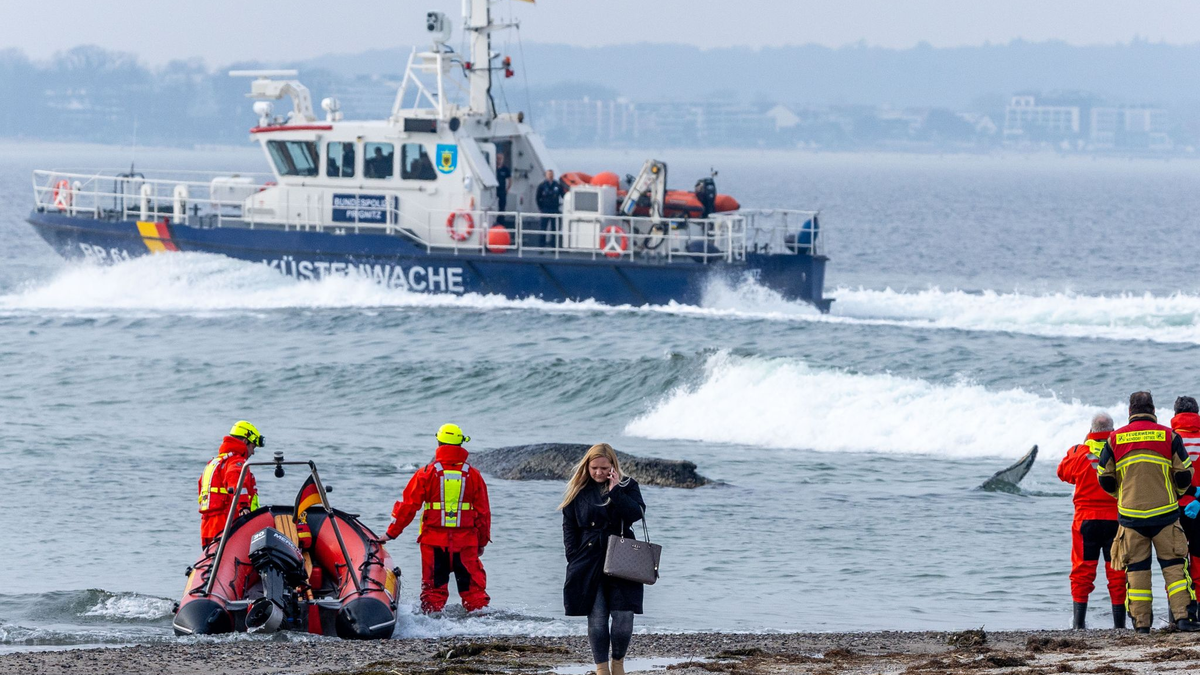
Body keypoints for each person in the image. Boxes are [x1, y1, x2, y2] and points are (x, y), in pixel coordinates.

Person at [1097, 391, 1200, 633]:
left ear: (1130, 412)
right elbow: (1184, 474)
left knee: (1136, 571)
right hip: (1166, 515)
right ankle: (1183, 619)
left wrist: (1122, 496)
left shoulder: (1114, 439)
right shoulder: (1168, 435)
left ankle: (1142, 624)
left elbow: (1104, 477)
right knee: (1175, 568)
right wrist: (1175, 493)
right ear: (1153, 410)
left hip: (1131, 517)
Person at [383, 423, 491, 613]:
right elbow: (483, 514)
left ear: (439, 443)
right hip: (466, 543)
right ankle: (482, 625)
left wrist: (391, 534)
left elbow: (408, 507)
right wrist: (481, 542)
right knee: (474, 594)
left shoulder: (426, 473)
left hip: (433, 544)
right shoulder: (474, 476)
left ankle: (431, 625)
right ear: (461, 444)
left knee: (432, 594)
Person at [560, 444, 646, 675]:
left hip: (623, 556)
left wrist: (615, 490)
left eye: (604, 468)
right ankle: (601, 669)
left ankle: (618, 665)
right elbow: (569, 526)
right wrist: (573, 557)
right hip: (588, 559)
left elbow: (636, 514)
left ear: (613, 467)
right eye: (594, 468)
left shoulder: (628, 486)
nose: (599, 472)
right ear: (587, 466)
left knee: (623, 616)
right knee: (597, 617)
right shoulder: (578, 489)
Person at [1057, 412, 1126, 629]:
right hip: (1115, 520)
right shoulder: (1121, 452)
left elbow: (1063, 474)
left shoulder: (1078, 452)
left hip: (1085, 521)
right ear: (1113, 430)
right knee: (1117, 572)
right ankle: (1119, 626)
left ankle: (1078, 624)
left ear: (1091, 430)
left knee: (1082, 572)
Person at [197, 421, 264, 547]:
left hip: (208, 527)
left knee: (213, 557)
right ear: (245, 441)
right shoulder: (236, 461)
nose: (253, 452)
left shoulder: (214, 463)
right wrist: (243, 507)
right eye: (253, 447)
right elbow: (237, 483)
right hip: (227, 523)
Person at [1171, 396, 1200, 580]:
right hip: (1199, 505)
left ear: (1175, 414)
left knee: (1175, 564)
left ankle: (1178, 599)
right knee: (1199, 561)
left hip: (1174, 508)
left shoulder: (1168, 439)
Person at [534, 169, 564, 249]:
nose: (550, 176)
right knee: (543, 228)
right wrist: (541, 207)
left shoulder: (557, 185)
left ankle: (553, 247)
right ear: (546, 175)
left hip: (555, 209)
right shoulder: (542, 186)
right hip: (545, 209)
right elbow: (537, 197)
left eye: (551, 174)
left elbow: (563, 195)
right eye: (549, 174)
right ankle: (541, 246)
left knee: (554, 229)